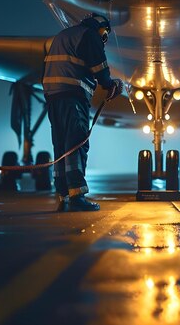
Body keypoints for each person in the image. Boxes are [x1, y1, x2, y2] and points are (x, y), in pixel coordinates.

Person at [43, 13, 123, 212]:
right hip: (72, 95)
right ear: (100, 27)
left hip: (53, 96)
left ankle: (63, 195)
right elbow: (100, 68)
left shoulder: (64, 35)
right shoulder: (89, 35)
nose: (103, 38)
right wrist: (110, 85)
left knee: (60, 144)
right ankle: (77, 196)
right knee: (76, 143)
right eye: (104, 33)